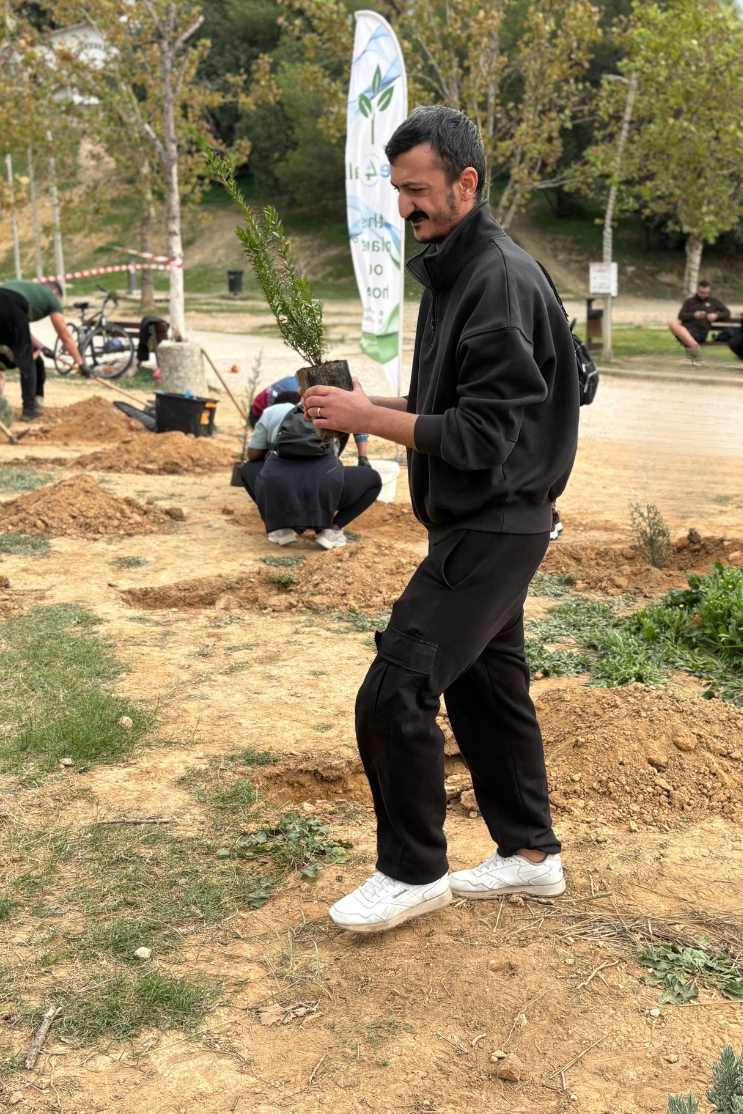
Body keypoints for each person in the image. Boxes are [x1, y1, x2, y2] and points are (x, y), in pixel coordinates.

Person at [300, 104, 579, 934]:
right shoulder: (466, 268)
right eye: (396, 190)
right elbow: (445, 405)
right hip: (491, 521)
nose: (403, 207)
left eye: (417, 190)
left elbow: (484, 433)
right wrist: (364, 407)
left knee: (395, 689)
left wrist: (373, 416)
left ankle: (411, 869)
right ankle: (530, 854)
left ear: (467, 182)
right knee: (491, 696)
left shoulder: (493, 277)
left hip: (493, 524)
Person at [238, 399, 382, 549]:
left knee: (250, 468)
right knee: (373, 480)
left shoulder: (274, 411)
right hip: (325, 489)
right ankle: (332, 530)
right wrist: (362, 456)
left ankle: (280, 527)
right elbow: (361, 424)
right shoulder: (336, 411)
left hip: (280, 489)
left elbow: (253, 455)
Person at [0, 279, 86, 423]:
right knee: (28, 359)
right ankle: (29, 410)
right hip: (10, 304)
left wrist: (42, 347)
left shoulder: (28, 289)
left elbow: (18, 328)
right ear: (55, 293)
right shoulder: (51, 297)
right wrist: (81, 363)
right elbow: (65, 336)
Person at [251, 376, 371, 465]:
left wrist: (362, 457)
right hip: (259, 411)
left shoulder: (330, 397)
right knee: (273, 445)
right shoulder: (277, 406)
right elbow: (274, 425)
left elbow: (357, 415)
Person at [669, 281, 730, 364]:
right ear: (697, 290)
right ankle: (698, 357)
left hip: (701, 329)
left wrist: (716, 315)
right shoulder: (690, 301)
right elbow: (681, 316)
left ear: (709, 292)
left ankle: (698, 357)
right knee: (674, 325)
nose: (703, 295)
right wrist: (694, 315)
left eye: (706, 293)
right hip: (687, 327)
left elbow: (727, 312)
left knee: (690, 338)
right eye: (701, 292)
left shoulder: (714, 301)